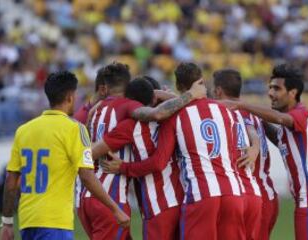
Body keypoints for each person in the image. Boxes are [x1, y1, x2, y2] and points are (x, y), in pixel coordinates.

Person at [109, 63, 246, 240]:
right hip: (234, 192)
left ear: (179, 86)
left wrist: (124, 167)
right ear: (201, 82)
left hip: (201, 193)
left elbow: (159, 161)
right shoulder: (224, 110)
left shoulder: (177, 115)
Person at [78, 62, 206, 240]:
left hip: (94, 195)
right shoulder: (157, 118)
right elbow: (160, 113)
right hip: (118, 198)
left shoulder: (97, 111)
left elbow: (87, 149)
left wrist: (123, 167)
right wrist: (187, 94)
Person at [0, 71, 129, 240]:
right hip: (55, 222)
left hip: (27, 222)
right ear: (70, 96)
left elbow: (11, 180)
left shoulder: (23, 131)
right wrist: (115, 209)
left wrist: (7, 223)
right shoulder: (74, 129)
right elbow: (86, 176)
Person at [226, 64, 308, 240]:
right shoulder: (289, 126)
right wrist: (253, 120)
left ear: (292, 93)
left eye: (277, 88)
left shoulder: (301, 114)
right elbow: (278, 137)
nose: (270, 93)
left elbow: (278, 118)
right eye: (270, 87)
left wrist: (243, 106)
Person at [92, 77, 184, 239]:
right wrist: (167, 95)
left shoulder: (130, 125)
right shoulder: (172, 118)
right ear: (155, 97)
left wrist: (123, 168)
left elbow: (157, 163)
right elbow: (192, 103)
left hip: (158, 206)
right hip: (179, 202)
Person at [213, 69, 265, 240]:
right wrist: (256, 146)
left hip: (238, 190)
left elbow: (251, 133)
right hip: (258, 189)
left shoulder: (225, 111)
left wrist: (255, 146)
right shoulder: (253, 111)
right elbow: (252, 131)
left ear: (218, 90)